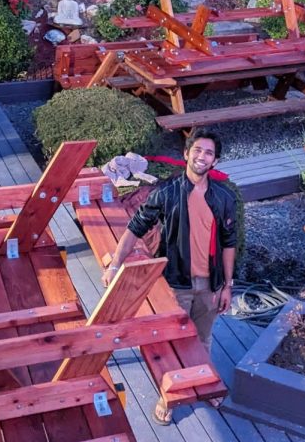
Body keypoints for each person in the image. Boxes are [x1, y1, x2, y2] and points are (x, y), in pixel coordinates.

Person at [101, 129, 237, 425]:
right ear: (186, 154)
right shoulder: (165, 193)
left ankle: (205, 385)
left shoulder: (224, 198)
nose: (202, 157)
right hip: (175, 283)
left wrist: (228, 285)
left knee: (203, 339)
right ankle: (169, 398)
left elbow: (229, 243)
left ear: (215, 160)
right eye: (198, 150)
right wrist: (115, 266)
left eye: (209, 153)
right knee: (170, 341)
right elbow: (134, 229)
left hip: (210, 286)